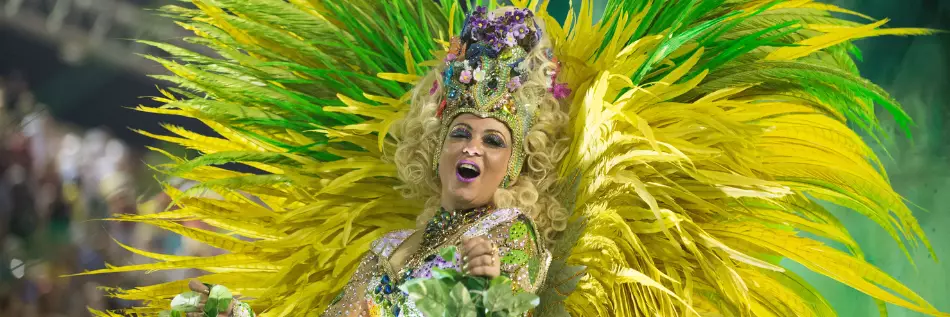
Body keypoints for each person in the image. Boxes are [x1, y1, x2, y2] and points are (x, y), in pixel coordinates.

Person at [78, 1, 948, 317]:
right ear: (434, 142)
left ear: (516, 162)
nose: (472, 147)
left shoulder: (516, 242)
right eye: (461, 131)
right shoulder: (389, 248)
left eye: (494, 140)